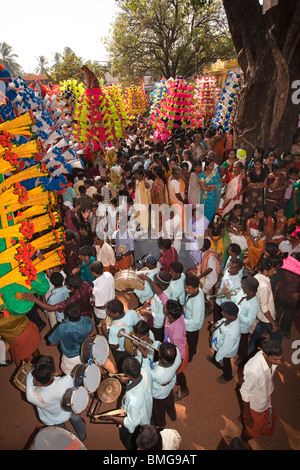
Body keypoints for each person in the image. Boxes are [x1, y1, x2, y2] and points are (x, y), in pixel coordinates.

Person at [26, 355, 86, 442]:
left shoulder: (30, 395)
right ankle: (82, 436)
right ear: (53, 373)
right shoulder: (65, 382)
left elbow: (29, 376)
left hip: (52, 419)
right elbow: (74, 392)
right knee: (77, 420)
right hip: (68, 409)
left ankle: (68, 441)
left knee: (62, 434)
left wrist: (37, 372)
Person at [100, 357, 153, 450]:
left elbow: (132, 422)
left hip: (137, 421)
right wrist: (128, 381)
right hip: (146, 408)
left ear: (126, 373)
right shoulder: (145, 371)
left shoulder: (133, 399)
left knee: (126, 438)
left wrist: (111, 417)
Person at [239, 338, 282, 445]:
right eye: (276, 360)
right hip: (256, 406)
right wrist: (248, 417)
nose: (279, 362)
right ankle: (243, 441)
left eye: (280, 359)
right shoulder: (254, 370)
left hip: (266, 399)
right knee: (251, 430)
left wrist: (270, 388)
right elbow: (245, 392)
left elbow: (268, 377)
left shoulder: (271, 356)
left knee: (265, 422)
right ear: (264, 355)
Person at [140, 341, 182, 429]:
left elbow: (146, 372)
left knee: (158, 410)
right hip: (169, 386)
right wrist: (151, 342)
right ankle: (173, 415)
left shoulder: (158, 374)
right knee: (170, 401)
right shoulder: (176, 353)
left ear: (161, 357)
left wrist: (145, 357)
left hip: (159, 394)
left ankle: (161, 424)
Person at [248, 258, 283, 354]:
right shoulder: (264, 286)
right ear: (265, 271)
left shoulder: (257, 276)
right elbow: (264, 308)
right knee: (278, 336)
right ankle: (275, 354)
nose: (275, 272)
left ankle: (249, 352)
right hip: (267, 318)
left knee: (256, 336)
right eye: (273, 270)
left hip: (261, 316)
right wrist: (273, 323)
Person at [47, 303, 93, 375]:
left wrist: (60, 340)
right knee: (83, 371)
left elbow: (51, 343)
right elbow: (90, 331)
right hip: (85, 353)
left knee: (69, 373)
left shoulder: (62, 327)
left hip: (70, 357)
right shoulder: (87, 321)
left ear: (67, 317)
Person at [23, 273, 94, 319]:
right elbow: (92, 293)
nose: (65, 285)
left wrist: (34, 299)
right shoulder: (85, 284)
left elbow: (51, 308)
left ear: (72, 288)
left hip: (80, 317)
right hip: (88, 312)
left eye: (66, 284)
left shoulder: (73, 299)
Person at [102, 299, 140, 373]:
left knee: (122, 366)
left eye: (109, 312)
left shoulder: (113, 328)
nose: (108, 313)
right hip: (133, 344)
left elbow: (115, 346)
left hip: (122, 352)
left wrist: (104, 332)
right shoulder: (132, 313)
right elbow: (137, 326)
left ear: (116, 313)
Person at [208, 301, 241, 383]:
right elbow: (223, 320)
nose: (222, 313)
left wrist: (218, 357)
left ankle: (227, 376)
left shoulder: (232, 332)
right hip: (219, 344)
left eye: (224, 313)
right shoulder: (229, 318)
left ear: (232, 316)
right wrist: (216, 324)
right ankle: (216, 362)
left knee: (226, 364)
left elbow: (225, 348)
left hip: (225, 352)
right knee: (217, 353)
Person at [164, 300, 189, 401]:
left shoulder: (177, 335)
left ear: (169, 315)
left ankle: (184, 389)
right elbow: (163, 296)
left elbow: (181, 352)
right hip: (172, 347)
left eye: (166, 309)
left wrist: (178, 364)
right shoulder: (176, 316)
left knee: (179, 372)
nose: (164, 308)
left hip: (178, 354)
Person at [234, 276, 260, 365]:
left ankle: (242, 356)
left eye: (244, 285)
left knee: (242, 343)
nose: (242, 286)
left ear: (250, 290)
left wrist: (237, 313)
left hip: (242, 328)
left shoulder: (254, 305)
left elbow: (249, 321)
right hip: (235, 323)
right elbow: (236, 300)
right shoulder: (243, 292)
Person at [275, 253, 300, 339]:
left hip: (293, 301)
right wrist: (280, 283)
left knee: (288, 317)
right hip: (282, 295)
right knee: (277, 314)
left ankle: (285, 330)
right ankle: (274, 329)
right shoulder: (285, 269)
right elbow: (281, 279)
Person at [183, 274, 205, 363]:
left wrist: (181, 320)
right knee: (193, 340)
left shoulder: (197, 304)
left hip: (191, 326)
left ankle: (190, 355)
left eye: (189, 289)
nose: (186, 290)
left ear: (196, 288)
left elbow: (195, 321)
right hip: (188, 318)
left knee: (191, 341)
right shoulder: (195, 291)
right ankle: (192, 351)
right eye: (186, 287)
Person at [89, 260, 115, 330]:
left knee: (101, 328)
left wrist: (92, 303)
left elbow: (102, 306)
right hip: (112, 306)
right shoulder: (108, 274)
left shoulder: (97, 290)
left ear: (94, 273)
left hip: (101, 314)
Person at [244, 207, 266, 272]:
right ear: (255, 214)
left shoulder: (263, 219)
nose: (262, 216)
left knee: (261, 248)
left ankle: (258, 267)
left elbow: (264, 231)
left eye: (263, 214)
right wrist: (254, 241)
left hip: (260, 236)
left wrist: (259, 237)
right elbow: (248, 233)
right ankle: (251, 266)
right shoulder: (249, 220)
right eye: (260, 214)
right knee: (251, 248)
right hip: (251, 237)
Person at [199, 158, 221, 222]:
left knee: (212, 211)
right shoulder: (201, 175)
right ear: (206, 166)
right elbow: (203, 188)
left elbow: (219, 184)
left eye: (213, 165)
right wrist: (212, 188)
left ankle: (211, 226)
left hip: (214, 197)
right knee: (204, 211)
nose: (212, 167)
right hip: (205, 197)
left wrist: (209, 186)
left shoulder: (216, 173)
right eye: (211, 166)